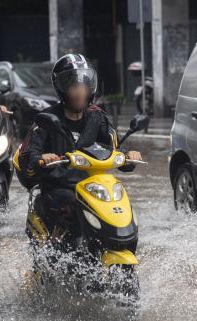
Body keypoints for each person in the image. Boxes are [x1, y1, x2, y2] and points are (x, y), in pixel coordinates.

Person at [21, 54, 142, 237]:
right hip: (58, 187)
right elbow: (29, 156)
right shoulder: (47, 119)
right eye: (74, 87)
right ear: (62, 88)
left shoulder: (98, 117)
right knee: (71, 205)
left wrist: (128, 156)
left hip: (92, 187)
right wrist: (42, 158)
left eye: (84, 86)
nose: (80, 92)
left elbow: (112, 149)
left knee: (119, 202)